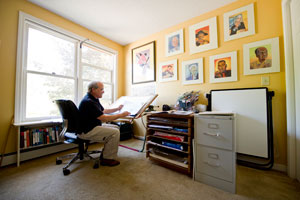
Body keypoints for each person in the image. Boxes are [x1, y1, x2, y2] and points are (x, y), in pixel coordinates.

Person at [78, 81, 130, 167]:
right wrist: (121, 115)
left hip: (91, 126)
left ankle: (106, 153)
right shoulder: (89, 101)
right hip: (87, 130)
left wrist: (117, 109)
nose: (103, 91)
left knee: (116, 127)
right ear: (93, 90)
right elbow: (104, 118)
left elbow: (103, 111)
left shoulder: (93, 99)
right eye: (101, 89)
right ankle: (107, 159)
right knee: (115, 132)